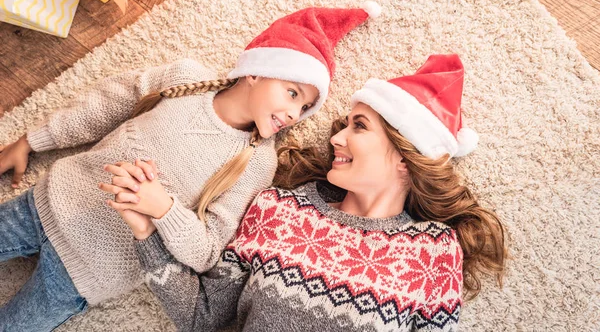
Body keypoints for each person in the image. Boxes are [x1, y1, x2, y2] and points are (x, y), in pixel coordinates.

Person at [0, 2, 382, 331]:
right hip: (47, 202)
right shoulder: (187, 79)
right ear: (255, 70)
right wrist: (32, 141)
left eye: (303, 108)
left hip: (88, 272)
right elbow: (105, 105)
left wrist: (163, 209)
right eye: (292, 93)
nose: (293, 113)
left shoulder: (257, 162)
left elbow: (208, 251)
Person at [111, 54, 507, 331]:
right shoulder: (278, 210)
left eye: (359, 127)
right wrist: (146, 231)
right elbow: (201, 316)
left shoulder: (432, 251)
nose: (336, 137)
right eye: (345, 124)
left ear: (407, 157)